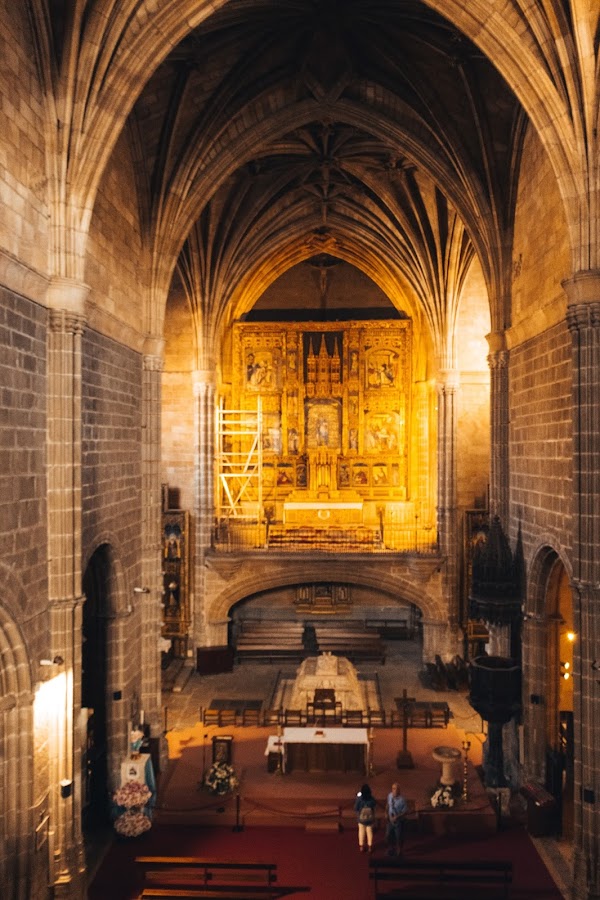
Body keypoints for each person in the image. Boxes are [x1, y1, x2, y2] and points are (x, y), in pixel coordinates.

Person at [386, 782, 408, 856]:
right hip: (390, 820)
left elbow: (405, 811)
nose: (394, 790)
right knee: (388, 835)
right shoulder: (389, 796)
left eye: (396, 789)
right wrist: (386, 813)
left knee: (398, 837)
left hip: (398, 821)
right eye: (393, 788)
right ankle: (391, 848)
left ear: (399, 790)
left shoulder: (402, 800)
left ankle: (399, 850)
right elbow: (388, 805)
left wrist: (397, 817)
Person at [354, 783, 377, 853]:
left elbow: (356, 808)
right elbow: (374, 806)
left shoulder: (359, 799)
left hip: (361, 819)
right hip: (370, 819)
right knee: (369, 832)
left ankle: (361, 846)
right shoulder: (372, 799)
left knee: (361, 832)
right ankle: (370, 846)